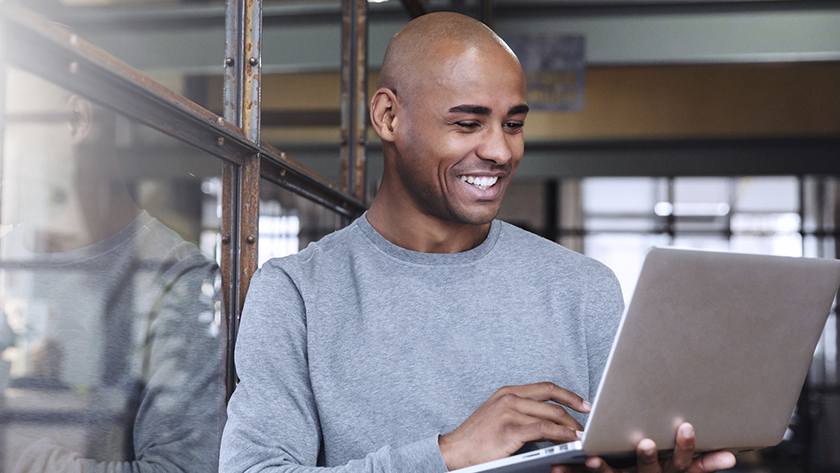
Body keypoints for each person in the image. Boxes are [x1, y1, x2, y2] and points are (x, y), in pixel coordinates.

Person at [219, 12, 737, 473]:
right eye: (468, 123)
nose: (499, 150)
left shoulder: (584, 290)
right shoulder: (295, 294)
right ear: (388, 117)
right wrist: (449, 453)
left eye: (513, 124)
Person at [0, 68, 224, 473]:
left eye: (6, 128)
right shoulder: (7, 259)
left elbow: (182, 469)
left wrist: (16, 455)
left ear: (75, 122)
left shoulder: (180, 283)